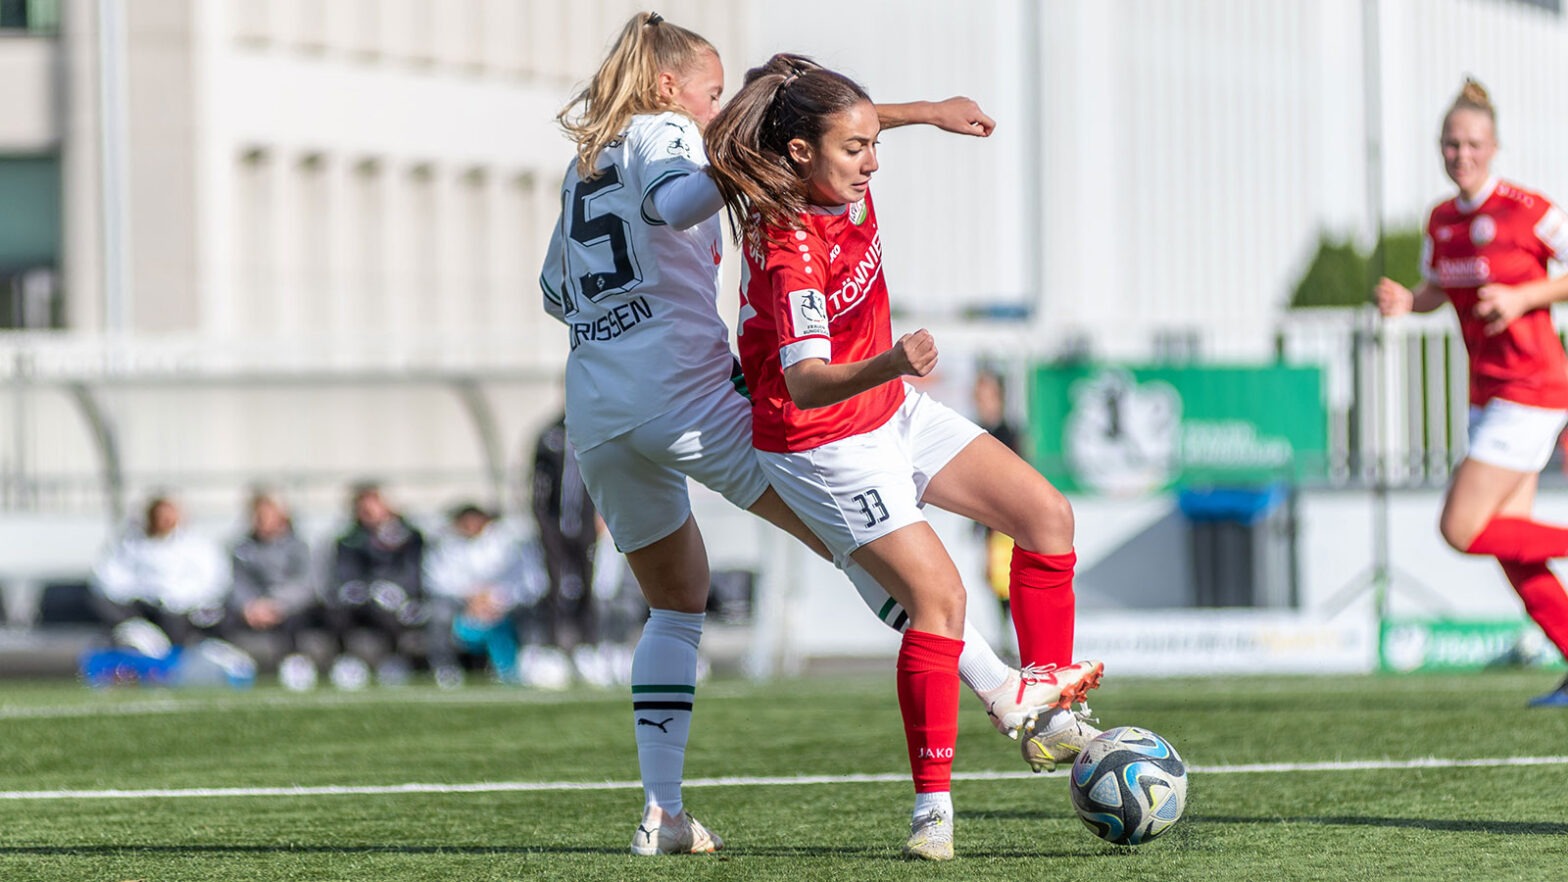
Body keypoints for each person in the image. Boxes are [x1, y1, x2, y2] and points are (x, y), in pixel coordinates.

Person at [542, 12, 1101, 857]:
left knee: (676, 604)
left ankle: (664, 813)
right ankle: (1004, 694)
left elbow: (554, 291)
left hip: (598, 406)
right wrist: (740, 152)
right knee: (868, 555)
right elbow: (674, 201)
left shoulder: (585, 165)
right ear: (668, 89)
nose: (717, 104)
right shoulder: (666, 134)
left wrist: (911, 112)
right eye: (710, 90)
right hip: (686, 398)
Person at [705, 53, 1106, 860]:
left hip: (889, 410)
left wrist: (929, 110)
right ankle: (933, 816)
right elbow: (809, 382)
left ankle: (1045, 711)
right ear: (799, 155)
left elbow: (856, 120)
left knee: (1045, 515)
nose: (871, 161)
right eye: (856, 149)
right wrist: (892, 359)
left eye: (871, 143)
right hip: (824, 440)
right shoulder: (791, 248)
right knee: (941, 600)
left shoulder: (832, 166)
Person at [1376, 78, 1568, 709]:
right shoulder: (1441, 220)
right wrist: (1409, 300)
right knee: (1512, 549)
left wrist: (1523, 296)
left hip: (1533, 387)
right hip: (1486, 396)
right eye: (1452, 143)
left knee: (1461, 529)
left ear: (1495, 146)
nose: (1462, 154)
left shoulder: (1527, 209)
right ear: (1441, 148)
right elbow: (1437, 289)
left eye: (1473, 143)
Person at [423, 502, 549, 687]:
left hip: (506, 605)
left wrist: (497, 599)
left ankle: (530, 662)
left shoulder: (509, 542)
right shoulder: (445, 545)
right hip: (463, 606)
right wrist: (470, 599)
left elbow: (529, 581)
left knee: (532, 612)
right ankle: (445, 667)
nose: (470, 526)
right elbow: (437, 581)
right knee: (438, 613)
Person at [91, 494, 232, 654]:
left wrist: (177, 596)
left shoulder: (198, 546)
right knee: (103, 603)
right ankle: (139, 635)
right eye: (159, 516)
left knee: (183, 618)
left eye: (169, 515)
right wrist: (143, 592)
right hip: (141, 605)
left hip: (181, 608)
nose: (165, 520)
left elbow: (213, 581)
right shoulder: (129, 543)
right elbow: (111, 576)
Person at [325, 482, 427, 688]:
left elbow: (414, 572)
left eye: (373, 505)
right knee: (336, 611)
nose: (369, 512)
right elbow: (345, 575)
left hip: (402, 600)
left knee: (399, 613)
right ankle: (347, 659)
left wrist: (396, 590)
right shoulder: (350, 539)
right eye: (363, 507)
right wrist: (370, 589)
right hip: (365, 599)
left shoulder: (410, 537)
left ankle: (395, 659)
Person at [226, 489, 331, 688]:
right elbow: (237, 583)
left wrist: (276, 603)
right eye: (258, 516)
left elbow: (306, 584)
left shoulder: (300, 546)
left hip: (288, 607)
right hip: (255, 608)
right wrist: (250, 606)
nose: (261, 521)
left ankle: (295, 662)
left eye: (266, 516)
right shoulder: (242, 548)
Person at [530, 411, 603, 679]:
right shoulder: (550, 434)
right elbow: (538, 481)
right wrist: (541, 521)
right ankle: (554, 649)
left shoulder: (599, 427)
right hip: (554, 526)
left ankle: (588, 646)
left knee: (589, 584)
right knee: (555, 585)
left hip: (587, 525)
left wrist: (604, 515)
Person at [972, 367, 1023, 646]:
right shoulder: (976, 430)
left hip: (1005, 521)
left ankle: (1017, 637)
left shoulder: (1007, 433)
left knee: (1006, 580)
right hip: (989, 522)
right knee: (994, 579)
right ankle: (1008, 637)